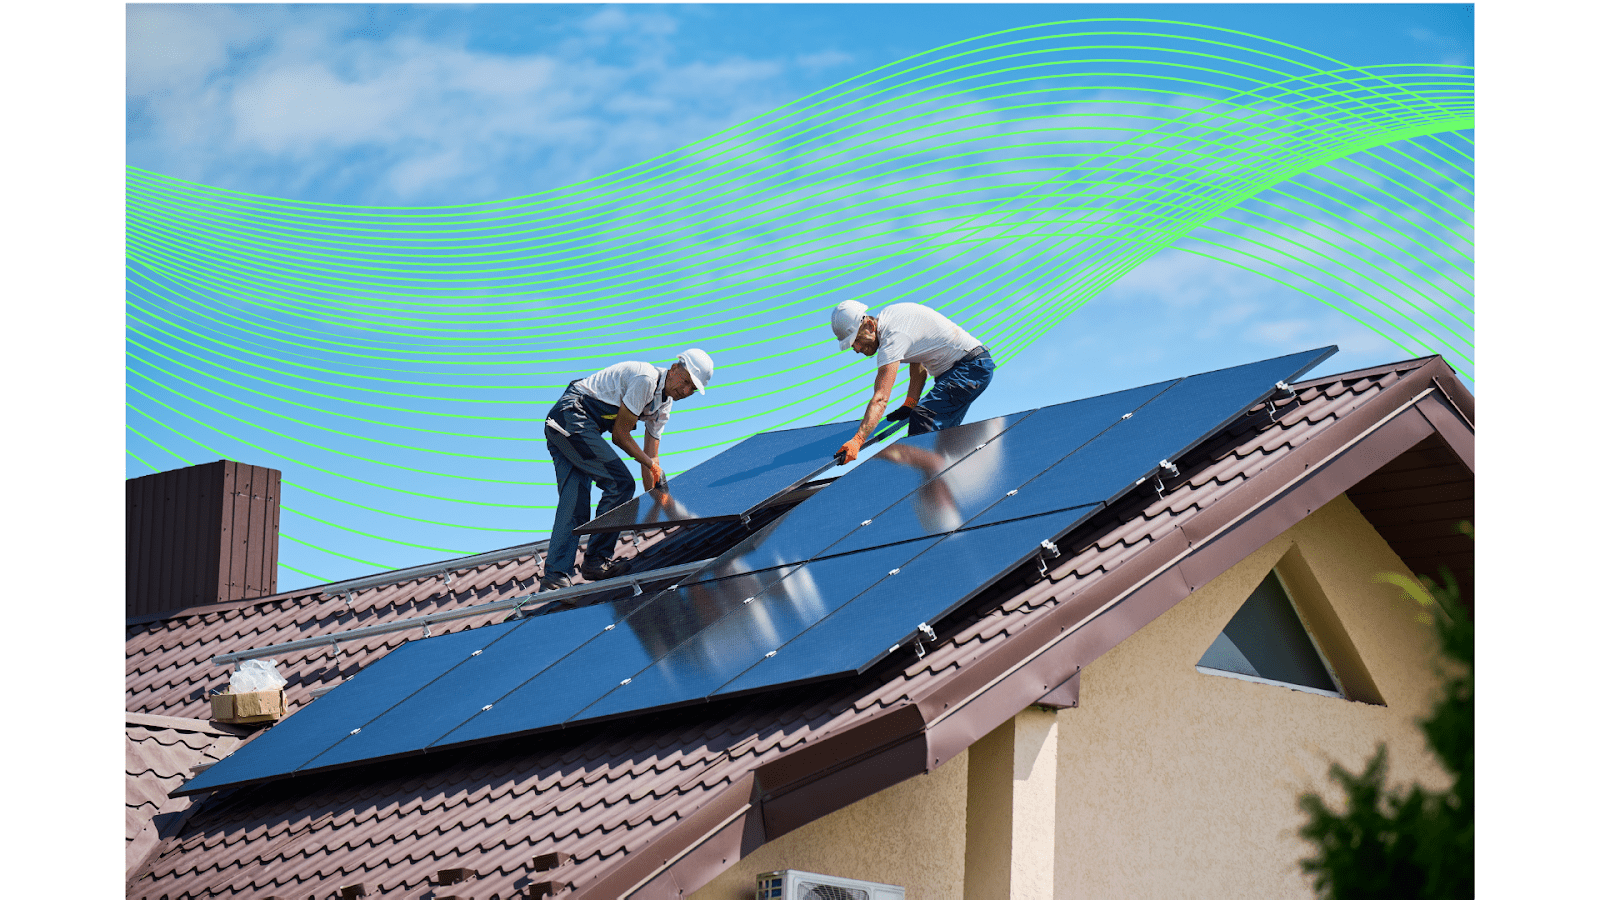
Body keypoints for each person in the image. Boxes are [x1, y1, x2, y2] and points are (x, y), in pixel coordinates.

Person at [540, 349, 714, 591]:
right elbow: (620, 436)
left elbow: (651, 457)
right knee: (620, 483)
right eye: (685, 382)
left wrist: (658, 500)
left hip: (571, 428)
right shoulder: (646, 379)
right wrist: (651, 464)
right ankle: (595, 560)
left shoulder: (663, 407)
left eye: (692, 389)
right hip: (571, 417)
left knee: (576, 501)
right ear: (674, 369)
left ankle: (555, 578)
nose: (685, 391)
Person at [829, 300, 995, 463]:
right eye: (852, 345)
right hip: (966, 370)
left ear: (870, 326)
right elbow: (918, 359)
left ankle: (919, 484)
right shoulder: (891, 318)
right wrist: (910, 402)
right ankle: (945, 476)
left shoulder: (892, 338)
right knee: (939, 439)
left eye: (856, 340)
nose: (857, 349)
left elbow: (881, 398)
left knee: (923, 418)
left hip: (969, 369)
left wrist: (858, 440)